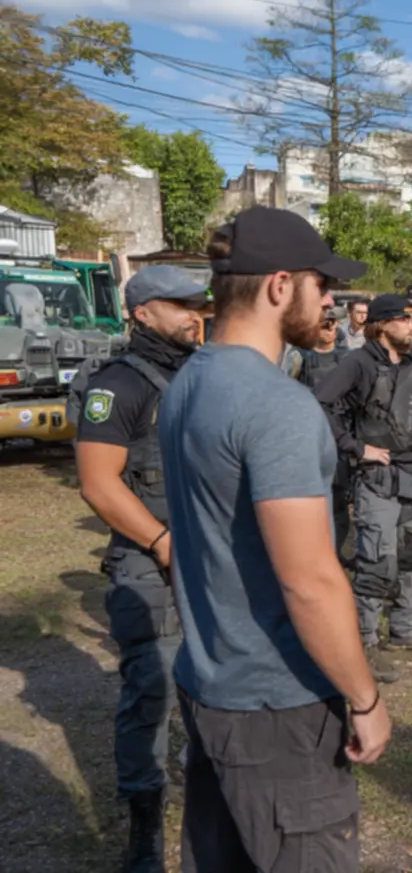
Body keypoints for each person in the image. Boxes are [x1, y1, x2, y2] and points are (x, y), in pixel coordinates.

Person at [160, 207, 390, 872]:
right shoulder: (276, 404)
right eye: (323, 285)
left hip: (209, 684)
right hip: (275, 703)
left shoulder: (189, 382)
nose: (333, 300)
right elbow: (309, 580)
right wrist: (366, 699)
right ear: (279, 285)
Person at [75, 265, 209, 872]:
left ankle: (214, 811)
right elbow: (98, 485)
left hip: (212, 563)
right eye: (178, 303)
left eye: (196, 302)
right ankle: (145, 834)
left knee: (213, 688)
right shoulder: (118, 386)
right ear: (141, 313)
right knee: (151, 691)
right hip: (149, 561)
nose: (193, 312)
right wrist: (161, 542)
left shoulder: (206, 375)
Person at [316, 294, 412, 684]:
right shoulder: (357, 363)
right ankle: (363, 643)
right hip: (376, 480)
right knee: (377, 560)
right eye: (407, 320)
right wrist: (356, 447)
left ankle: (404, 630)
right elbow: (320, 403)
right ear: (383, 324)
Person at [299, 306, 355, 557]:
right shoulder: (299, 358)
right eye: (324, 323)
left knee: (339, 501)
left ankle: (333, 553)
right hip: (309, 438)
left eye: (333, 323)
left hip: (340, 437)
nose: (329, 328)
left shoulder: (348, 359)